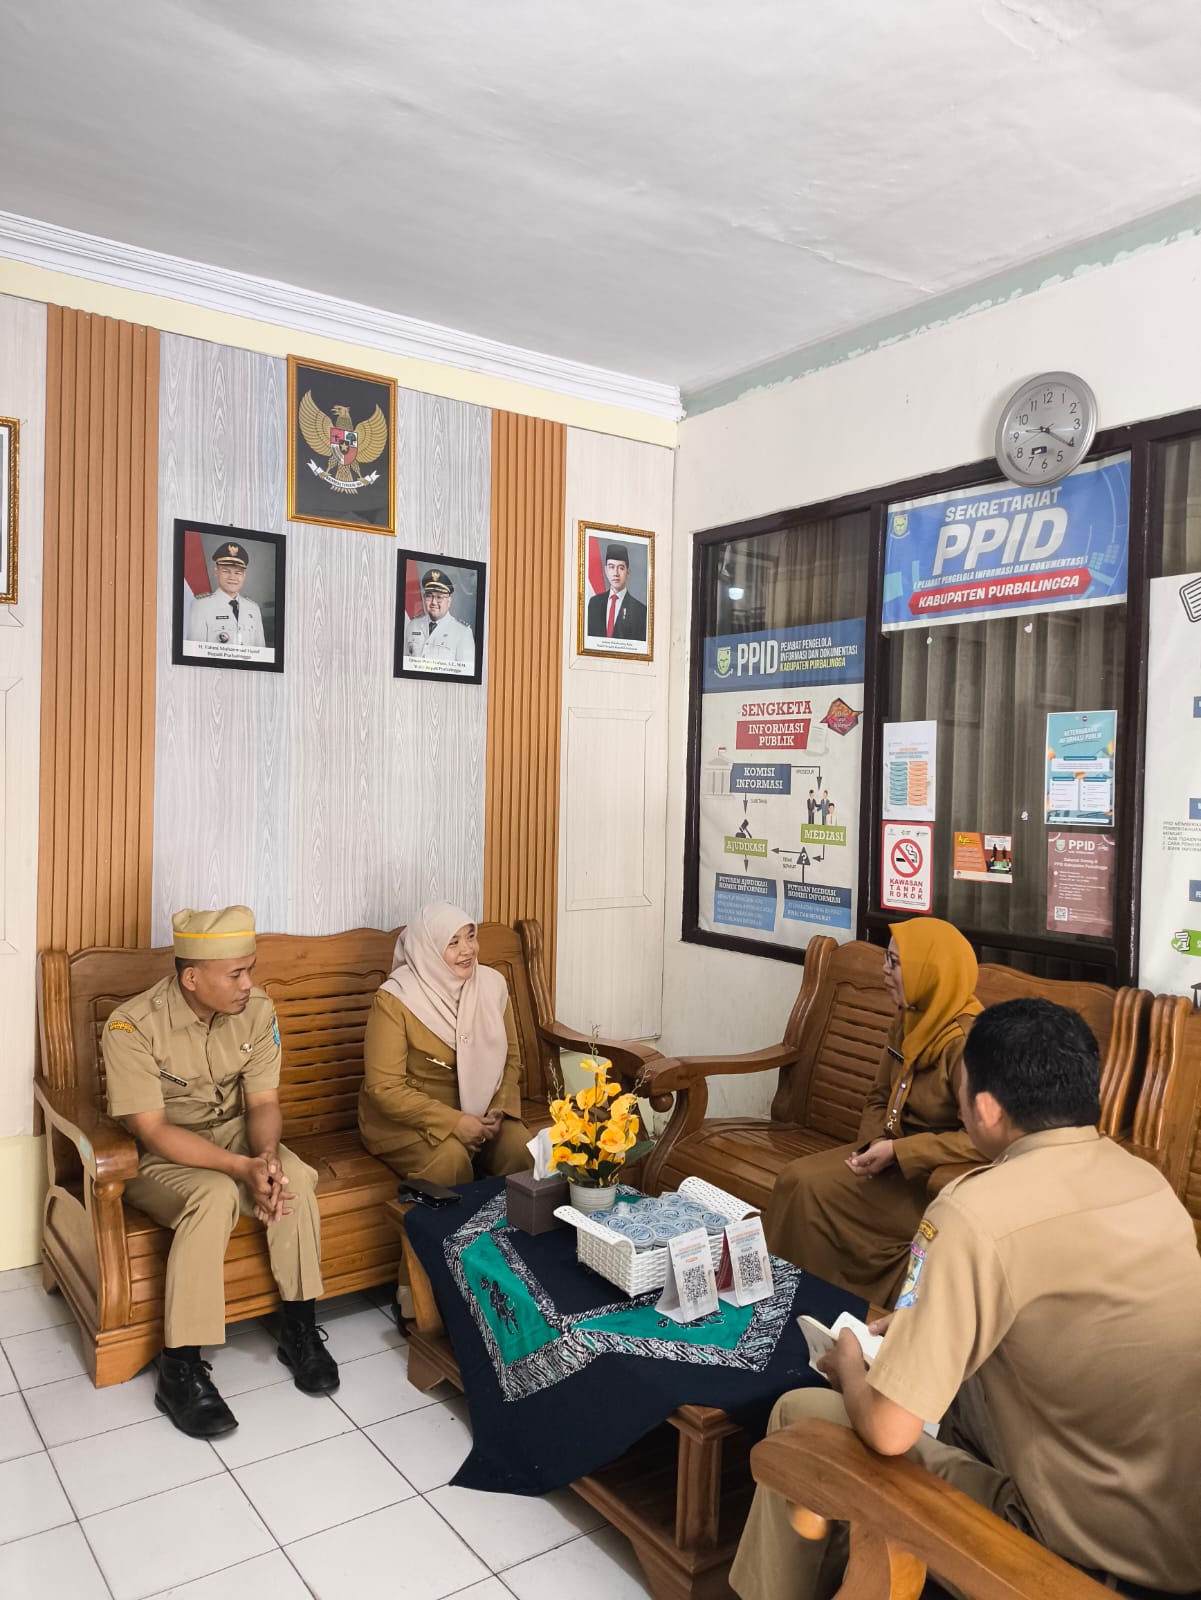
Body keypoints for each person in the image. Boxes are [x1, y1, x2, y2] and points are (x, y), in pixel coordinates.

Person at [732, 998, 1201, 1600]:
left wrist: (849, 1365)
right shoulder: (1147, 1184)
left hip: (1072, 1553)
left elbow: (888, 1432)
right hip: (1177, 1539)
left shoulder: (972, 1209)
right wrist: (919, 1321)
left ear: (985, 1107)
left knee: (801, 1416)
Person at [101, 907, 337, 1439]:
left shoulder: (257, 1011)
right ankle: (180, 1368)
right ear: (192, 977)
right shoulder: (131, 1025)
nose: (248, 984)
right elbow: (153, 1131)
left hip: (235, 1135)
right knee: (213, 1196)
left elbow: (263, 1103)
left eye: (250, 969)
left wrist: (267, 1157)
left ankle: (299, 1329)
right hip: (160, 1154)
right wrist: (239, 1167)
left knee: (295, 1177)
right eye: (235, 974)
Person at [764, 917, 982, 1304]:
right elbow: (879, 1097)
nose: (884, 970)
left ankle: (819, 1303)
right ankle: (782, 1299)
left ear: (929, 973)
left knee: (810, 1189)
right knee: (794, 1180)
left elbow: (982, 1141)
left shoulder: (970, 1044)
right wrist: (874, 1143)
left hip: (934, 1179)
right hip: (888, 1160)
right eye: (886, 958)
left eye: (895, 963)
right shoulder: (909, 1018)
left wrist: (899, 1152)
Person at [358, 902, 534, 1183]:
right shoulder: (395, 999)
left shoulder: (492, 986)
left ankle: (506, 1215)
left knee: (521, 1151)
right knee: (450, 1159)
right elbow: (384, 1087)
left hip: (482, 1114)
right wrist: (454, 1122)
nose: (467, 950)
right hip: (408, 1121)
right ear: (428, 950)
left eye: (470, 937)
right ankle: (450, 1216)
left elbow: (510, 1058)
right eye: (453, 942)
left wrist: (499, 1108)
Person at [186, 541, 266, 647]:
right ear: (216, 571)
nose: (232, 577)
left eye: (238, 572)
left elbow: (261, 651)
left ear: (244, 575)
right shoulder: (201, 606)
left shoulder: (253, 608)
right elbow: (195, 651)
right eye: (226, 571)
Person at [404, 568, 475, 671]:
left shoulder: (463, 632)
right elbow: (405, 664)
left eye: (439, 597)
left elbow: (466, 673)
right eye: (429, 596)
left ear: (449, 601)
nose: (433, 602)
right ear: (424, 598)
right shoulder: (413, 625)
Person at [586, 542, 648, 642]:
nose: (616, 573)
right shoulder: (594, 603)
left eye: (621, 568)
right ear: (606, 570)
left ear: (628, 573)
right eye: (611, 567)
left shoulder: (640, 611)